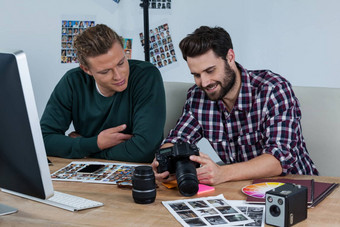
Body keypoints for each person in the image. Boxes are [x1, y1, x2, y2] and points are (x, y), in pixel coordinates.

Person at [152, 26, 318, 185]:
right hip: (240, 191)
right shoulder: (197, 96)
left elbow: (279, 159)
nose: (204, 82)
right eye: (196, 75)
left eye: (210, 71)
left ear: (230, 57)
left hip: (299, 188)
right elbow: (177, 139)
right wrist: (164, 162)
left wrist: (221, 173)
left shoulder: (273, 89)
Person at [41, 24, 166, 163]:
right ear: (86, 69)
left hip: (136, 172)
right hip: (89, 176)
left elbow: (145, 150)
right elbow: (43, 139)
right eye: (105, 71)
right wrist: (96, 143)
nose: (118, 76)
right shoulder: (73, 81)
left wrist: (87, 149)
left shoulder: (146, 76)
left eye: (121, 63)